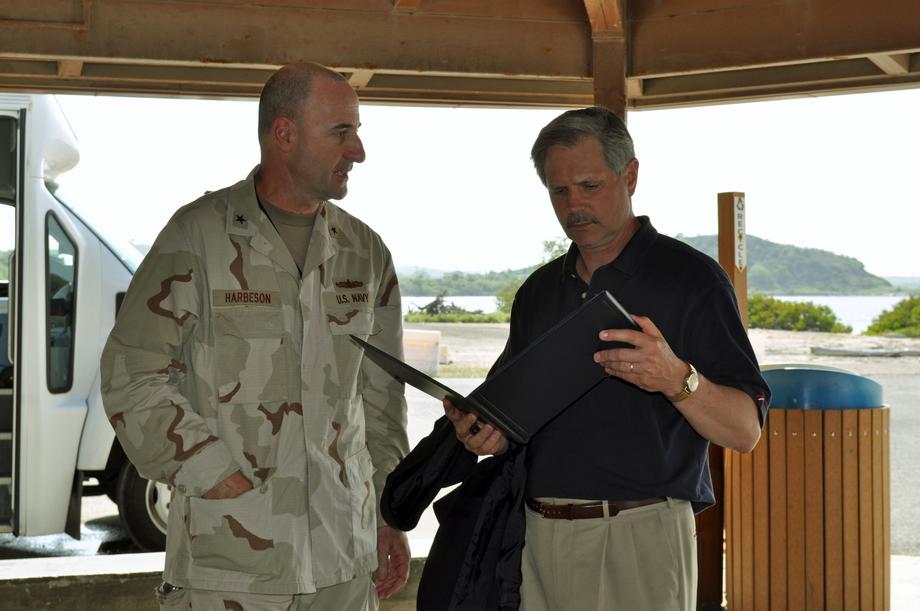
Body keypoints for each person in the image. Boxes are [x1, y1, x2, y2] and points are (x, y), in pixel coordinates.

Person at [101, 62, 411, 610]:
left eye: (357, 131)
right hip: (232, 565)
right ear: (284, 134)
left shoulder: (365, 252)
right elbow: (132, 374)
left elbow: (382, 399)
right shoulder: (198, 236)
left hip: (344, 560)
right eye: (341, 132)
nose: (358, 151)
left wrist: (391, 513)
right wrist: (215, 474)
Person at [444, 106, 771, 610]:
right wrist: (487, 432)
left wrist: (677, 379)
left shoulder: (693, 280)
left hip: (639, 538)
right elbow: (511, 415)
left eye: (590, 185)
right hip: (536, 537)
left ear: (630, 175)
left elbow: (745, 431)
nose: (574, 204)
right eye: (559, 191)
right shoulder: (537, 291)